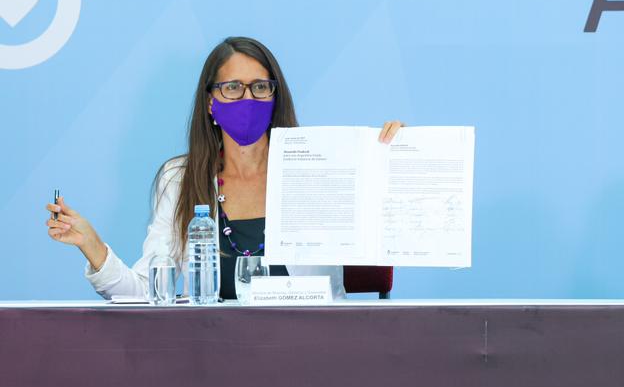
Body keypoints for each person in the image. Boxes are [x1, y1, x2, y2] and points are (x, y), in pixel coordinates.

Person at [44, 36, 403, 301]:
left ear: (275, 97)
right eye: (232, 87)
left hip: (310, 353)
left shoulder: (319, 169)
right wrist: (92, 246)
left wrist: (399, 160)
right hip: (210, 359)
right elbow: (148, 294)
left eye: (260, 87)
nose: (248, 98)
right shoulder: (180, 179)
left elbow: (386, 226)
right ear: (211, 103)